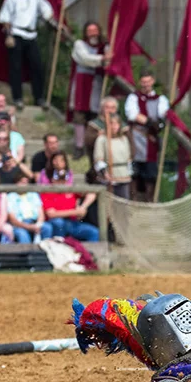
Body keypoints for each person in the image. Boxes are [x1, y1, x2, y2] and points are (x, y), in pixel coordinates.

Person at [0, 0, 51, 108]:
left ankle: (38, 97)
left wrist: (48, 15)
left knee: (37, 66)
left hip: (31, 35)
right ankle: (17, 98)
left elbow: (45, 9)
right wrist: (8, 35)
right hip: (16, 34)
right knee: (16, 67)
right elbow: (5, 18)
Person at [124, 72, 171, 202]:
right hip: (136, 137)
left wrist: (161, 120)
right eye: (143, 82)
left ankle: (150, 200)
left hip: (151, 139)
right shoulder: (134, 97)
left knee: (150, 173)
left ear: (152, 81)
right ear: (140, 82)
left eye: (148, 81)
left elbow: (163, 113)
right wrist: (150, 122)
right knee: (134, 171)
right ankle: (133, 200)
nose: (146, 85)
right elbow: (132, 114)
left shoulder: (160, 99)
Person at [67, 21, 111, 159]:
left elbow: (110, 61)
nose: (93, 33)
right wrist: (102, 58)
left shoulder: (104, 46)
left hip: (96, 82)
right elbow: (85, 58)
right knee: (79, 114)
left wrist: (108, 58)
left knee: (94, 115)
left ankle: (92, 146)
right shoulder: (80, 44)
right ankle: (79, 146)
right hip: (82, 82)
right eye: (90, 31)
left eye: (95, 30)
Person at [40, 152, 99, 241]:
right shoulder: (47, 192)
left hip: (73, 224)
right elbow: (51, 214)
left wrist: (83, 207)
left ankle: (91, 254)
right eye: (59, 178)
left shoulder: (70, 190)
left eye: (64, 178)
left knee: (94, 232)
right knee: (58, 223)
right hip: (57, 224)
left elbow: (92, 194)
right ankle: (60, 249)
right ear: (52, 179)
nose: (62, 181)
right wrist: (75, 212)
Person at [93, 109, 133, 201]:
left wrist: (129, 171)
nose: (114, 126)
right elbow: (98, 159)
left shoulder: (124, 139)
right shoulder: (102, 139)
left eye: (116, 124)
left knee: (123, 203)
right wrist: (104, 172)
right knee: (108, 204)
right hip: (109, 176)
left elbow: (128, 158)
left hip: (123, 176)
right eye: (111, 124)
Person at [6, 173, 51, 243]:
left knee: (47, 228)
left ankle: (45, 251)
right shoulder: (10, 197)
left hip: (34, 221)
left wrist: (38, 224)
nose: (24, 185)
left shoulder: (33, 194)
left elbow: (40, 213)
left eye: (26, 182)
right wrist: (29, 227)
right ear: (16, 183)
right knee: (22, 234)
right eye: (22, 182)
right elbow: (13, 219)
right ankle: (28, 253)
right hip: (19, 224)